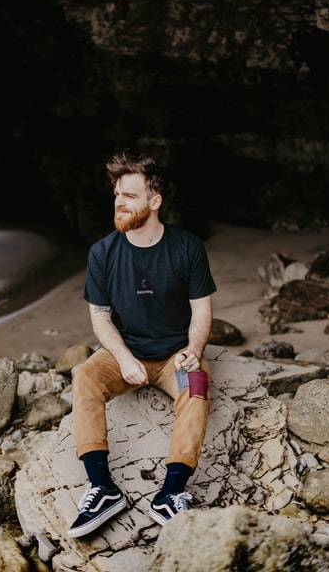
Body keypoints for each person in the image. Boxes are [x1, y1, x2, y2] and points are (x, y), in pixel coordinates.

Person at [67, 151, 217, 539]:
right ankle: (102, 489)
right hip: (125, 353)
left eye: (130, 195)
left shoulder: (186, 247)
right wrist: (123, 357)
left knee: (197, 385)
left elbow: (201, 312)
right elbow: (99, 317)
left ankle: (170, 493)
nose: (119, 201)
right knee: (84, 377)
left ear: (155, 202)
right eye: (117, 193)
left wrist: (194, 349)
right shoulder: (102, 252)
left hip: (174, 357)